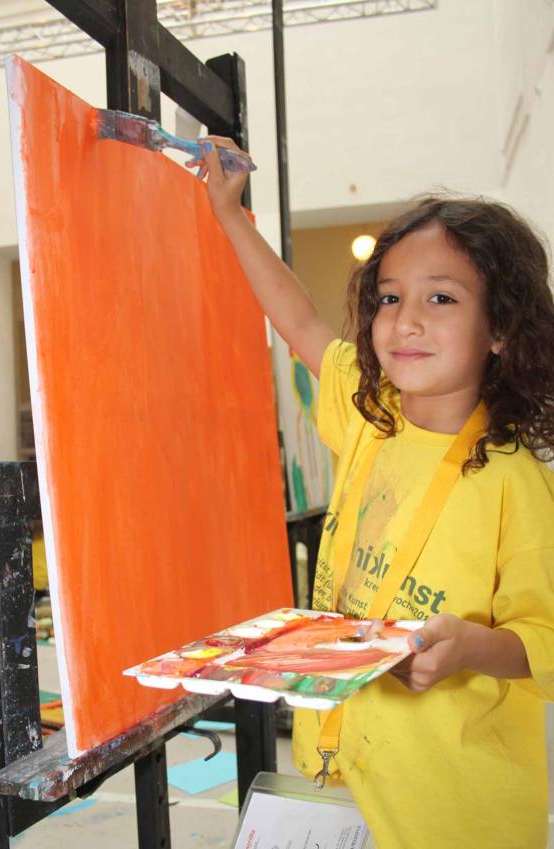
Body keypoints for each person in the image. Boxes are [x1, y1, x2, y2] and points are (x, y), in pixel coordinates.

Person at [187, 139, 554, 849]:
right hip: (342, 780)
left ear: (502, 328)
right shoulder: (368, 417)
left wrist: (476, 647)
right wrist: (229, 215)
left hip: (454, 814)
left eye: (440, 297)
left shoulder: (517, 483)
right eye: (389, 297)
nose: (405, 319)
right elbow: (298, 321)